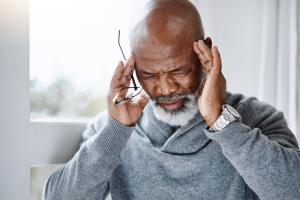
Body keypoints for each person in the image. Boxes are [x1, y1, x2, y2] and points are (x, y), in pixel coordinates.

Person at [42, 0, 300, 199]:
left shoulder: (258, 118)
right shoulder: (111, 130)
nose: (165, 88)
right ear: (133, 68)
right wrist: (116, 130)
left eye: (178, 70)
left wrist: (221, 120)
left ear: (204, 54)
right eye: (149, 74)